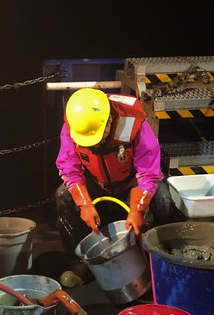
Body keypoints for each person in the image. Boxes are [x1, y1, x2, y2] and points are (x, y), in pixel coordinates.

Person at [54, 87, 177, 287]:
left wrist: (138, 209)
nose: (97, 143)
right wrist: (84, 204)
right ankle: (80, 263)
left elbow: (148, 173)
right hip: (96, 183)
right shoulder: (74, 124)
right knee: (63, 195)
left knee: (163, 198)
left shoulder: (135, 125)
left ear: (109, 120)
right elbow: (69, 168)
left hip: (131, 183)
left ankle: (163, 260)